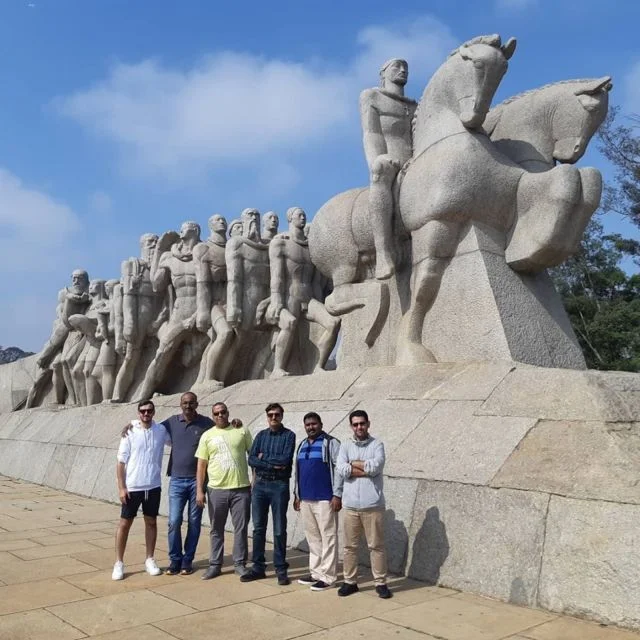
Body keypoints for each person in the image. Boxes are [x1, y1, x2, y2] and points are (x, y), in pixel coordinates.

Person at [360, 58, 417, 280]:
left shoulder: (414, 105)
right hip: (389, 160)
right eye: (397, 66)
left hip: (414, 159)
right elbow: (371, 133)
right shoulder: (372, 96)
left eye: (406, 67)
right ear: (383, 73)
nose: (403, 70)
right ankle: (383, 252)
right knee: (380, 174)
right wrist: (377, 158)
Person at [336, 409, 392, 598]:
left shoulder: (377, 445)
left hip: (372, 506)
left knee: (376, 546)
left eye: (362, 423)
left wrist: (353, 465)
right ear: (351, 426)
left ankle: (380, 583)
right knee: (349, 547)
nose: (359, 427)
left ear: (368, 424)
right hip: (350, 506)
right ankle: (350, 582)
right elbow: (341, 469)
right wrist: (363, 467)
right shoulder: (345, 446)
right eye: (355, 424)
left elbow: (375, 467)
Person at [113, 399, 170, 580]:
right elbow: (121, 462)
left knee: (151, 522)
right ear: (138, 413)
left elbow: (178, 438)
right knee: (125, 524)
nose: (146, 414)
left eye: (149, 411)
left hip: (153, 486)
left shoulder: (161, 430)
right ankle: (119, 562)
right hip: (133, 487)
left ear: (154, 412)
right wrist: (122, 487)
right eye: (143, 411)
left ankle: (150, 559)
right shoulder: (130, 431)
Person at [195, 402, 253, 579]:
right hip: (216, 490)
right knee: (216, 529)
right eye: (216, 413)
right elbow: (201, 465)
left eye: (223, 412)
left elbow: (253, 455)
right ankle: (215, 564)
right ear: (212, 416)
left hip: (240, 489)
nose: (220, 415)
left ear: (228, 413)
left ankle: (239, 563)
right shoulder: (207, 436)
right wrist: (199, 490)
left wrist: (254, 480)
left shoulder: (241, 430)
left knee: (241, 528)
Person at [241, 402, 296, 585]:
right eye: (270, 415)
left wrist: (263, 458)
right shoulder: (261, 435)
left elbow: (285, 460)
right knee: (258, 528)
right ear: (267, 417)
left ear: (281, 416)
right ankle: (258, 567)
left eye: (277, 415)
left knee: (279, 528)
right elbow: (251, 459)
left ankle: (281, 568)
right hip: (260, 485)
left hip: (279, 485)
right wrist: (272, 464)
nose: (274, 418)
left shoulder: (289, 435)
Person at [161, 392, 214, 575]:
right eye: (185, 403)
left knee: (194, 522)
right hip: (176, 480)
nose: (188, 406)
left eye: (191, 403)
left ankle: (187, 560)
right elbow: (151, 428)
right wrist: (132, 424)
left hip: (197, 482)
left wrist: (236, 423)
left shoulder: (206, 423)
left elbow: (222, 429)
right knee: (174, 521)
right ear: (180, 404)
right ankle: (175, 559)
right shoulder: (172, 422)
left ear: (197, 404)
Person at [293, 412, 343, 591]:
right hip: (306, 498)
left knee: (328, 537)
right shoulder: (302, 444)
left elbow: (339, 470)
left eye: (314, 424)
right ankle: (315, 573)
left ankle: (328, 577)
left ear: (321, 424)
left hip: (325, 498)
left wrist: (337, 495)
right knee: (313, 537)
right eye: (308, 425)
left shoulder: (331, 443)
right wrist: (297, 495)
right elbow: (298, 472)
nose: (311, 427)